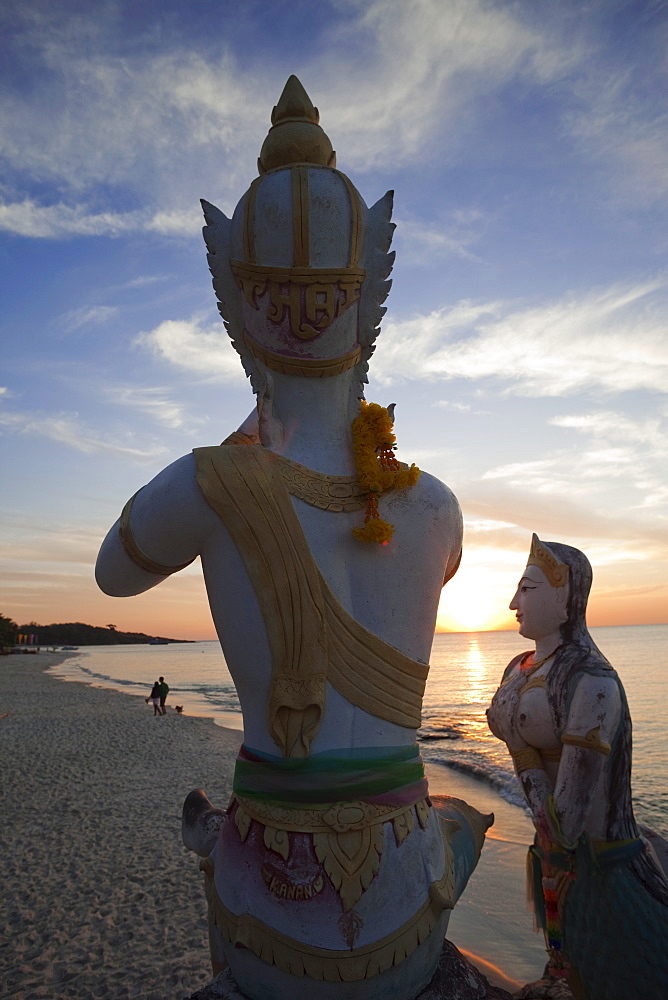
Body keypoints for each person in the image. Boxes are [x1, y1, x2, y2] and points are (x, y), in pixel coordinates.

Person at [96, 77, 489, 1000]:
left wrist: (239, 445)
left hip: (271, 920)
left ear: (238, 310)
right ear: (369, 305)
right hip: (405, 920)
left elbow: (113, 575)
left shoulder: (210, 484)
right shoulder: (435, 506)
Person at [487, 534, 668, 1000]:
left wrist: (521, 752)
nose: (513, 602)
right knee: (567, 961)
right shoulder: (520, 667)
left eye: (527, 589)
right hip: (550, 859)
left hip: (600, 864)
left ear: (564, 593)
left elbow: (565, 820)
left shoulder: (593, 681)